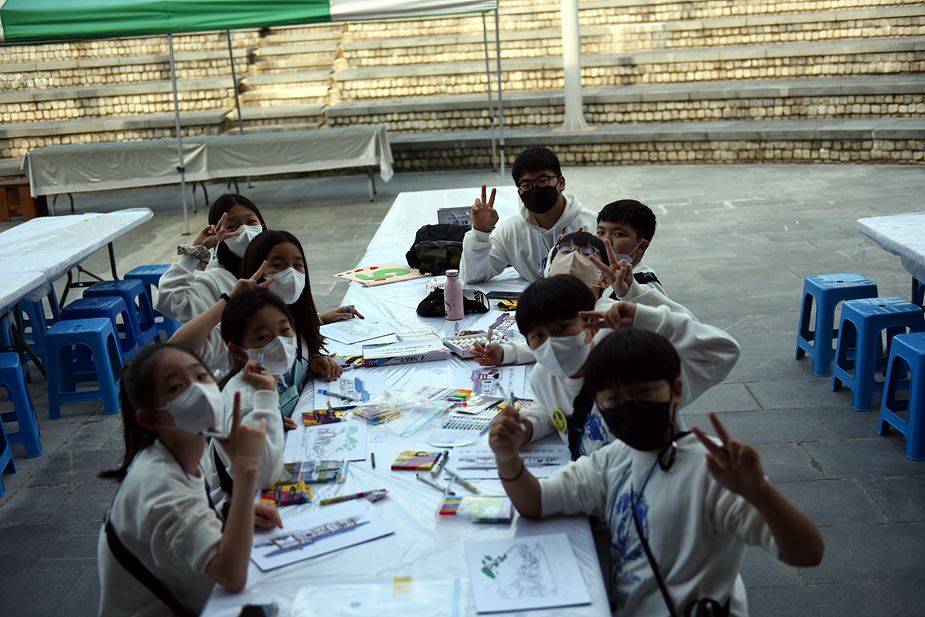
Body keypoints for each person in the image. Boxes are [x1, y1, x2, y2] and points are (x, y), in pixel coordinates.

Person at [489, 329, 824, 616]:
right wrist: (507, 457)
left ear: (676, 390)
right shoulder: (612, 461)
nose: (629, 407)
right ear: (599, 405)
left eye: (644, 393)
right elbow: (536, 502)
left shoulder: (715, 471)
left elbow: (808, 553)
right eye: (614, 399)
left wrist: (760, 494)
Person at [97, 343, 283, 617]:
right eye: (176, 387)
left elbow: (190, 516)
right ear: (150, 418)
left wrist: (233, 513)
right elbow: (231, 575)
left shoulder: (187, 446)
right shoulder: (160, 484)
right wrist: (246, 470)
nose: (199, 391)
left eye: (201, 376)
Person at [496, 275, 740, 458]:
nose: (552, 343)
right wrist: (529, 426)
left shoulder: (631, 365)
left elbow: (722, 350)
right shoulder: (542, 377)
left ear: (590, 325)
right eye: (538, 335)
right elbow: (558, 409)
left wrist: (646, 318)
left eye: (562, 328)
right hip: (600, 489)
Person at [207, 289, 312, 509]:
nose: (280, 343)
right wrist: (266, 396)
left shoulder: (257, 381)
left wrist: (272, 419)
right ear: (238, 351)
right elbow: (264, 475)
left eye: (285, 330)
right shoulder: (246, 398)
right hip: (236, 513)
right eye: (264, 337)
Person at [156, 194, 269, 378]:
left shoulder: (274, 270)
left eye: (251, 222)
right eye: (232, 226)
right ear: (220, 236)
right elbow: (169, 300)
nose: (246, 231)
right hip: (238, 378)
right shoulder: (215, 280)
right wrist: (194, 253)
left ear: (262, 226)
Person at [459, 147, 597, 284]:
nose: (535, 189)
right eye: (526, 185)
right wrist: (480, 233)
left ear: (561, 183)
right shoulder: (511, 231)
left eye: (542, 180)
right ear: (519, 192)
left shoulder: (593, 226)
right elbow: (473, 276)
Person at [593, 198, 666, 299]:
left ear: (641, 246)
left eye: (618, 234)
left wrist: (629, 293)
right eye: (601, 233)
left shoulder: (645, 287)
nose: (606, 241)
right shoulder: (598, 274)